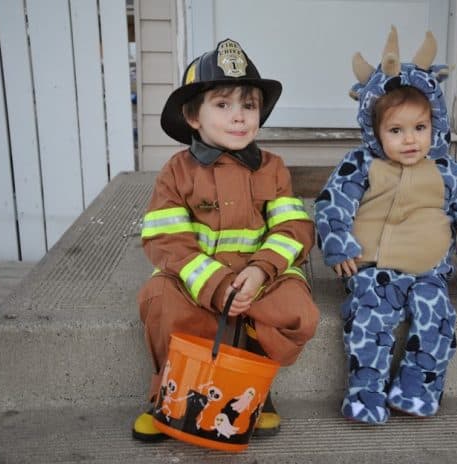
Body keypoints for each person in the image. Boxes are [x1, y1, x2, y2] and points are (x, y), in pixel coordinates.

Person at [132, 38, 319, 441]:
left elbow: (295, 229)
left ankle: (254, 388)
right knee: (161, 302)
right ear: (192, 116)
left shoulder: (273, 168)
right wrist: (216, 286)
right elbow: (166, 238)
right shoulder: (176, 172)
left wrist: (260, 270)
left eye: (248, 106)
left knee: (298, 310)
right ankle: (168, 396)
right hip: (196, 277)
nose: (239, 117)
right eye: (223, 105)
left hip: (260, 276)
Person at [314, 26, 457, 424]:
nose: (410, 139)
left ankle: (415, 389)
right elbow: (333, 204)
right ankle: (365, 394)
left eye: (420, 128)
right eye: (396, 130)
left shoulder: (448, 171)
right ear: (375, 131)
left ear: (436, 124)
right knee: (370, 318)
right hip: (372, 269)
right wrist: (339, 242)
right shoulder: (361, 164)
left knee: (437, 318)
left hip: (428, 272)